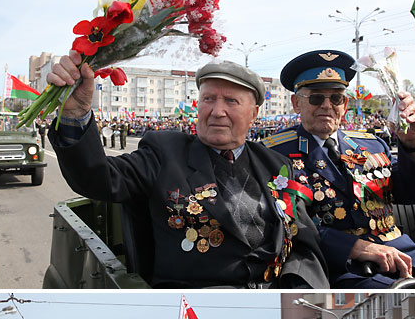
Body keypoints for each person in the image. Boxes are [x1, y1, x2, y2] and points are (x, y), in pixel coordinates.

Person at [46, 56, 328, 290]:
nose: (217, 111)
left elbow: (302, 239)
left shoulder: (275, 163)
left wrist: (299, 290)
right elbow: (99, 178)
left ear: (254, 114)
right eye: (208, 99)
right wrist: (76, 113)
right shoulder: (164, 151)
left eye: (231, 101)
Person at [277, 46, 415, 283]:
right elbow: (281, 225)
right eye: (317, 97)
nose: (327, 105)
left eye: (336, 98)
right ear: (296, 104)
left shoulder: (371, 146)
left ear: (345, 105)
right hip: (343, 266)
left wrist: (411, 141)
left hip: (405, 252)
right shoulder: (275, 153)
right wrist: (352, 247)